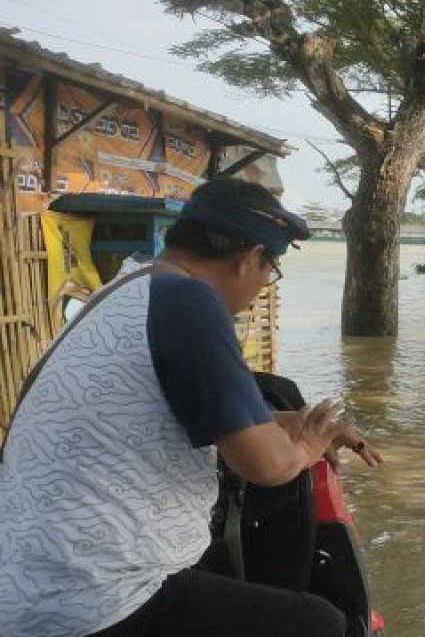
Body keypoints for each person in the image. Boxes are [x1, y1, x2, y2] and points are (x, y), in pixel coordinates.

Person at [0, 178, 383, 637]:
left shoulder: (129, 288)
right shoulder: (190, 302)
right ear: (248, 258)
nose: (264, 286)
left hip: (29, 577)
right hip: (91, 597)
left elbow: (186, 411)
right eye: (271, 270)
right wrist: (306, 445)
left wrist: (292, 422)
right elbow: (267, 465)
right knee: (319, 625)